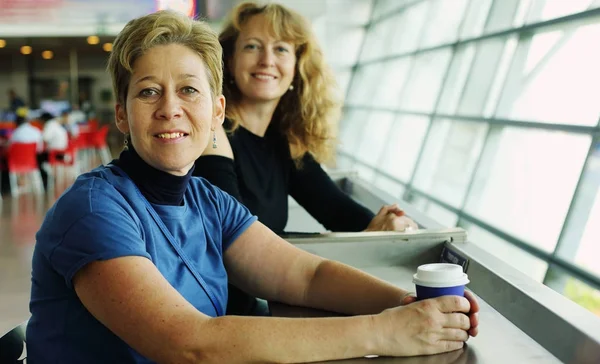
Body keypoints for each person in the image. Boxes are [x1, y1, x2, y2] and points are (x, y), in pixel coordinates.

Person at [27, 10, 479, 364]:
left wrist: (406, 305)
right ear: (122, 114)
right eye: (148, 92)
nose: (169, 108)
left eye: (188, 90)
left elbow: (306, 276)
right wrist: (385, 332)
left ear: (217, 111)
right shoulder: (94, 210)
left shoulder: (207, 201)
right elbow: (188, 344)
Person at [194, 1, 418, 315]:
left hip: (255, 306)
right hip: (209, 313)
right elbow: (235, 240)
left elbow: (336, 208)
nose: (267, 60)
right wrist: (370, 236)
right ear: (229, 60)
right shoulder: (212, 133)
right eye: (253, 46)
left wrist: (386, 224)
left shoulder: (282, 142)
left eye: (282, 49)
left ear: (299, 64)